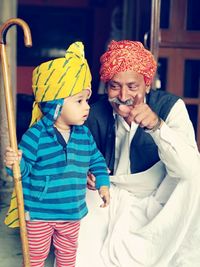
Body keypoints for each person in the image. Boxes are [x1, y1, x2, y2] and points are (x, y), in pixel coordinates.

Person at [74, 40, 200, 267]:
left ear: (147, 85)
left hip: (158, 199)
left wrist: (157, 126)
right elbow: (75, 158)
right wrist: (84, 173)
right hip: (109, 198)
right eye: (114, 86)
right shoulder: (93, 112)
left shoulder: (171, 107)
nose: (123, 96)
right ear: (105, 86)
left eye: (132, 86)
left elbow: (188, 169)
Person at [4, 41, 110, 267]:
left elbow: (97, 160)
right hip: (40, 213)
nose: (87, 107)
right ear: (55, 106)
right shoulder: (35, 136)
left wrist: (103, 183)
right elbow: (22, 172)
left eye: (87, 100)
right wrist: (15, 162)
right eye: (79, 101)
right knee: (34, 260)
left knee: (67, 260)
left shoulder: (84, 135)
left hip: (71, 213)